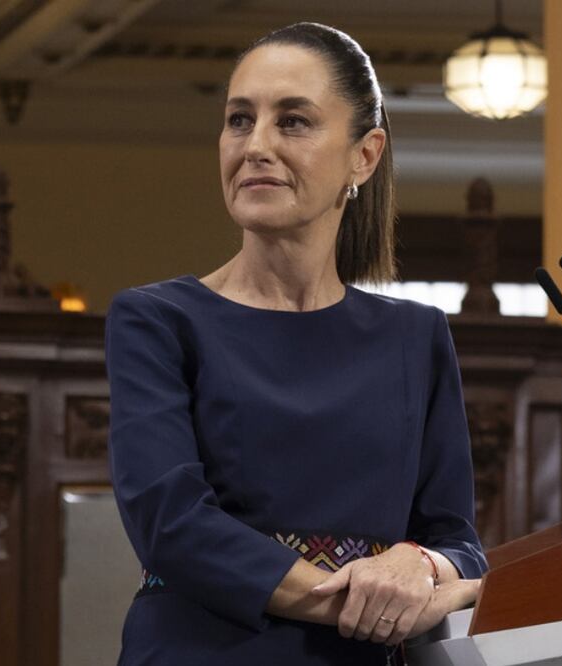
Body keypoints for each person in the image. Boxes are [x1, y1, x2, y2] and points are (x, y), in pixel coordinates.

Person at [104, 22, 486, 665]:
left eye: (293, 121)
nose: (255, 145)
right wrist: (363, 604)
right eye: (238, 119)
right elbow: (172, 526)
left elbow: (454, 540)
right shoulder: (158, 319)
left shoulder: (415, 336)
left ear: (363, 156)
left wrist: (419, 563)